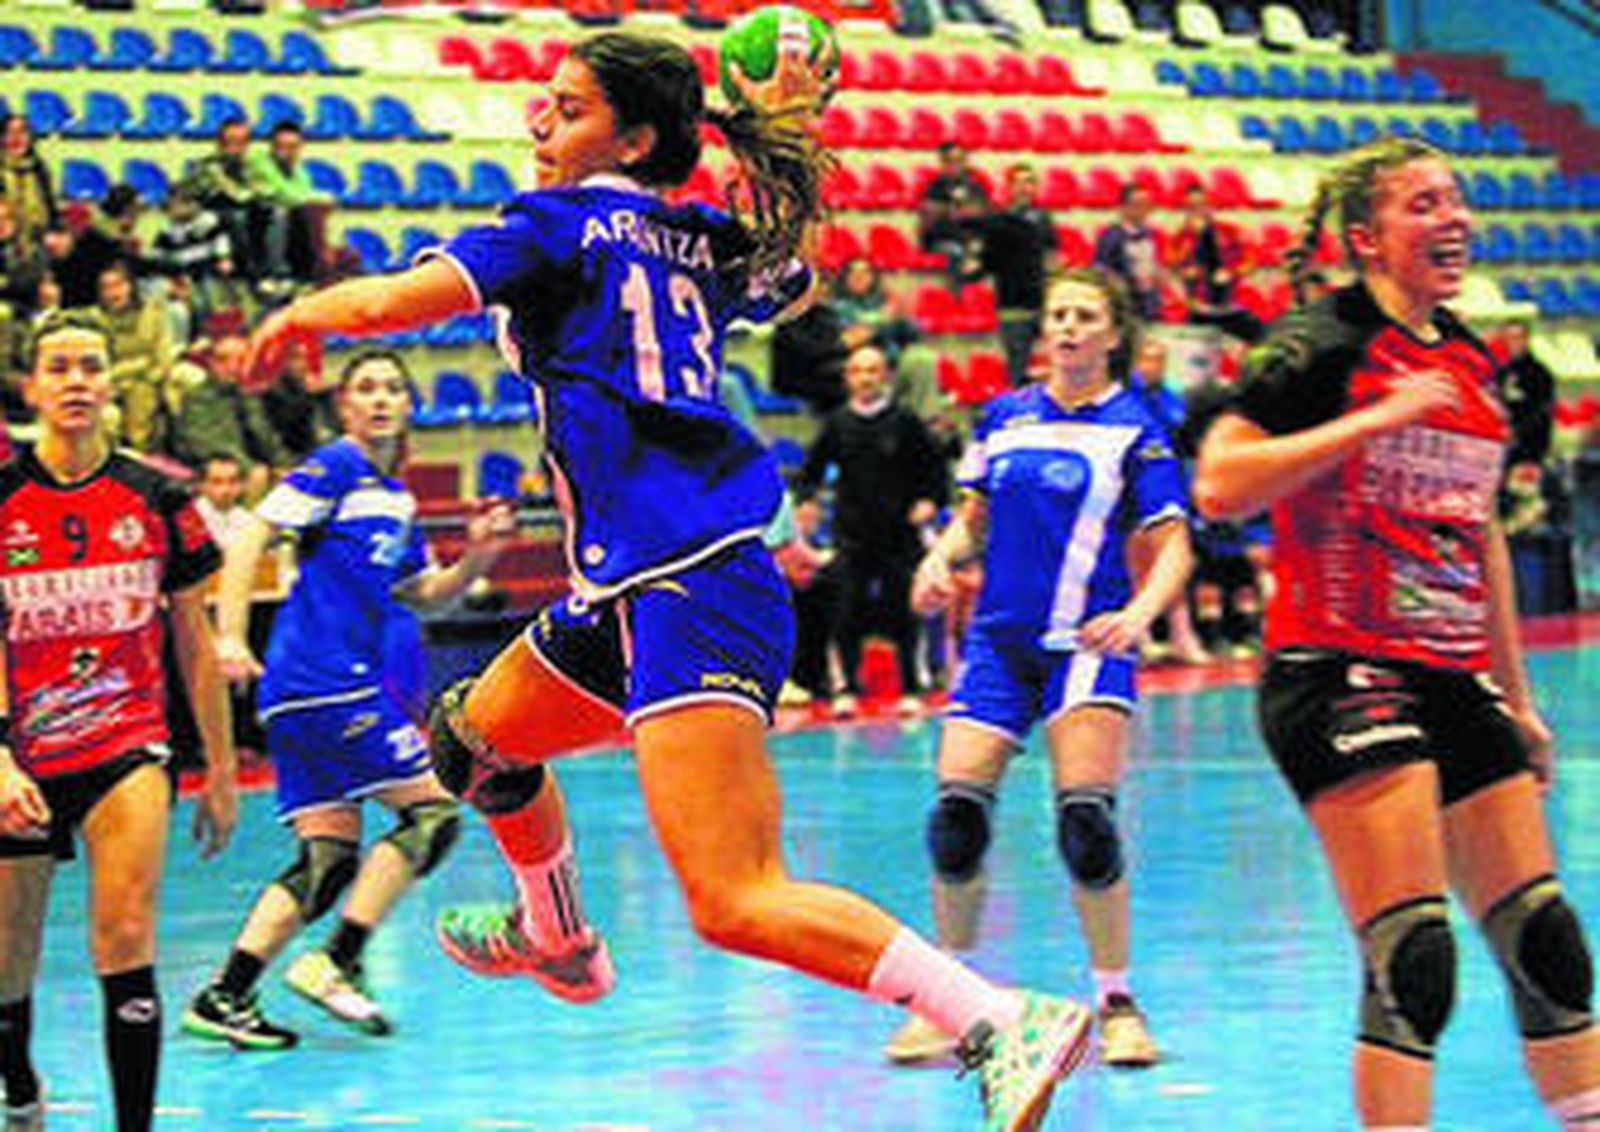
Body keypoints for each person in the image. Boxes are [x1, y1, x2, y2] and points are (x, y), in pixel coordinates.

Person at [240, 31, 1094, 1128]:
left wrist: (298, 313)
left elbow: (390, 305)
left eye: (568, 107)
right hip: (639, 585)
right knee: (472, 738)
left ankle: (992, 1016)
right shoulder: (698, 236)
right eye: (544, 101)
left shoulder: (554, 225)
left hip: (688, 585)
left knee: (734, 897)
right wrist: (788, 134)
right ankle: (556, 933)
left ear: (635, 139)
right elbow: (796, 278)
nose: (538, 118)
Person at [1194, 137, 1600, 1129]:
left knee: (1547, 945)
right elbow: (1219, 483)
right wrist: (1371, 424)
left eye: (1456, 200)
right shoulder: (1318, 343)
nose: (1451, 218)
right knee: (1412, 958)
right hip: (1337, 670)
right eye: (1422, 204)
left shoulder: (1469, 359)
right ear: (1367, 238)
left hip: (1452, 672)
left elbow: (1479, 536)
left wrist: (1516, 700)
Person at [883, 270, 1193, 1071]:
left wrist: (1139, 615)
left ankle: (1118, 1004)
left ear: (1113, 334)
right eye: (1058, 313)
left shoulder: (1137, 430)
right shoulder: (1004, 417)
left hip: (1084, 646)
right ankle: (951, 1002)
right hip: (998, 643)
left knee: (1086, 825)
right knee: (956, 821)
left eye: (1085, 315)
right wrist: (939, 559)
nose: (1066, 327)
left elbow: (1175, 548)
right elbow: (973, 521)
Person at [181, 349, 508, 1048]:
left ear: (410, 405)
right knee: (433, 814)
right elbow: (253, 534)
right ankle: (337, 961)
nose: (381, 398)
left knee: (327, 863)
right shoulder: (336, 465)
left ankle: (224, 995)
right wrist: (229, 635)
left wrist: (479, 556)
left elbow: (422, 594)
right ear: (345, 406)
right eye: (366, 388)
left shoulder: (396, 499)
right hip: (324, 681)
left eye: (393, 387)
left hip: (307, 694)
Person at [0, 310, 238, 1131]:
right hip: (21, 753)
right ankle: (19, 1086)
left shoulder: (160, 498)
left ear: (110, 384)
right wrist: (1, 758)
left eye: (90, 366)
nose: (76, 381)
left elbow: (197, 646)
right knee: (7, 966)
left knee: (126, 934)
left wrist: (220, 771)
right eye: (58, 367)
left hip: (125, 744)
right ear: (31, 387)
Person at [796, 342, 949, 716]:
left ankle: (912, 687)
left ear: (886, 377)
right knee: (846, 611)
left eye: (873, 370)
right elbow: (809, 473)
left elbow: (936, 472)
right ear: (848, 378)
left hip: (899, 534)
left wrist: (929, 502)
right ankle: (847, 688)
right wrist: (807, 501)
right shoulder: (837, 424)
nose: (865, 378)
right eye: (857, 371)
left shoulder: (906, 422)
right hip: (852, 534)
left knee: (904, 610)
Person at [982, 163, 1057, 387]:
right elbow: (989, 262)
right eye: (1020, 182)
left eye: (1030, 182)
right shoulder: (998, 221)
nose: (1026, 188)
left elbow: (1051, 254)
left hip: (1042, 302)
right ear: (1010, 187)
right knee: (1017, 366)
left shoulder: (1044, 219)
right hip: (1013, 305)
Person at [919, 142, 992, 286]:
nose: (955, 165)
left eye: (960, 160)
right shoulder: (934, 187)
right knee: (957, 251)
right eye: (950, 161)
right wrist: (956, 212)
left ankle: (980, 294)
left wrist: (957, 212)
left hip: (970, 238)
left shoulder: (974, 186)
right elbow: (932, 218)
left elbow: (983, 212)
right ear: (943, 164)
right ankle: (959, 295)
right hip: (941, 239)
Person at [1093, 184, 1162, 323]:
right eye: (1137, 204)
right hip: (1125, 305)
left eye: (1146, 205)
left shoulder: (1151, 234)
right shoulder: (1110, 237)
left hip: (1149, 303)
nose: (1143, 210)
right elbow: (1100, 269)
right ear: (1123, 208)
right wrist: (1122, 285)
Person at [1495, 319, 1555, 470]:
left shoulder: (1539, 373)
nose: (1514, 343)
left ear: (1526, 339)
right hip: (1503, 447)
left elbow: (1541, 411)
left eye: (1518, 337)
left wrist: (1516, 432)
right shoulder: (1502, 372)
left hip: (1530, 448)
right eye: (1509, 338)